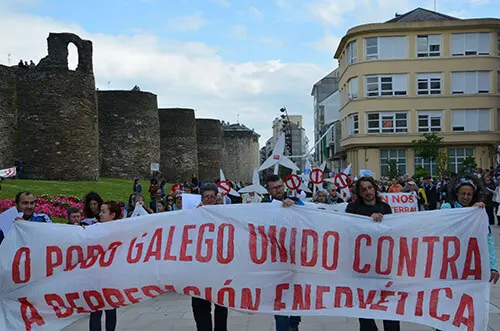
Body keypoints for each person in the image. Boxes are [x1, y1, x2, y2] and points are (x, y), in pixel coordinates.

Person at [345, 177, 399, 331]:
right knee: (365, 307)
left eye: (370, 188)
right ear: (359, 193)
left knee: (389, 305)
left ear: (375, 189)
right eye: (364, 189)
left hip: (384, 264)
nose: (368, 192)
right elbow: (349, 228)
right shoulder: (352, 208)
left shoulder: (385, 207)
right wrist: (368, 222)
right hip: (362, 265)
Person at [262, 174, 302, 331]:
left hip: (295, 259)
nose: (278, 190)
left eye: (280, 186)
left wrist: (294, 207)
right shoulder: (263, 206)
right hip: (275, 260)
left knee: (296, 296)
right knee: (280, 301)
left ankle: (294, 325)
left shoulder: (296, 202)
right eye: (274, 188)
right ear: (269, 190)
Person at [441, 176, 499, 283]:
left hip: (471, 264)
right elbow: (449, 220)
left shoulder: (479, 212)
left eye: (469, 194)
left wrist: (493, 267)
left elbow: (488, 240)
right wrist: (470, 210)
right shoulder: (447, 207)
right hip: (449, 264)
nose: (466, 197)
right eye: (463, 194)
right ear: (456, 194)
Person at [191, 183, 228, 331]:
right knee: (200, 308)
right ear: (201, 199)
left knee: (221, 307)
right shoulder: (192, 215)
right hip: (199, 270)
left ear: (217, 197)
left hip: (220, 267)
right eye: (206, 197)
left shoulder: (225, 213)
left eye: (212, 197)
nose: (209, 200)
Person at [89, 201, 122, 331]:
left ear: (112, 215)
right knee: (95, 310)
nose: (100, 214)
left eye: (104, 212)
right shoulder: (94, 229)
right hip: (94, 275)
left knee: (110, 309)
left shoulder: (121, 230)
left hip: (110, 276)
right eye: (100, 211)